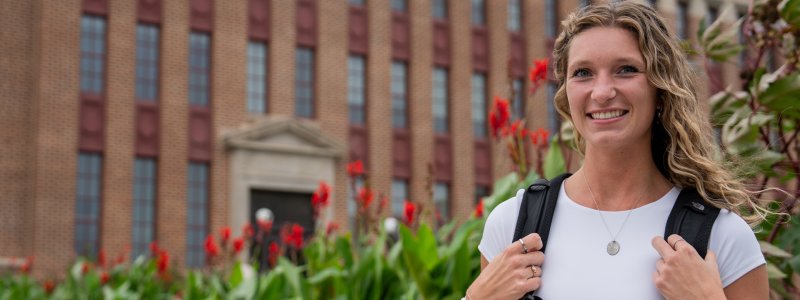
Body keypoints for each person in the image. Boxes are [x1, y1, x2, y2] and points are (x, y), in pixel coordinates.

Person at [466, 2, 768, 299]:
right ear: (566, 92)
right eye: (583, 73)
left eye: (626, 70)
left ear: (660, 89)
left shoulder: (722, 235)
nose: (602, 92)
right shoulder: (514, 224)